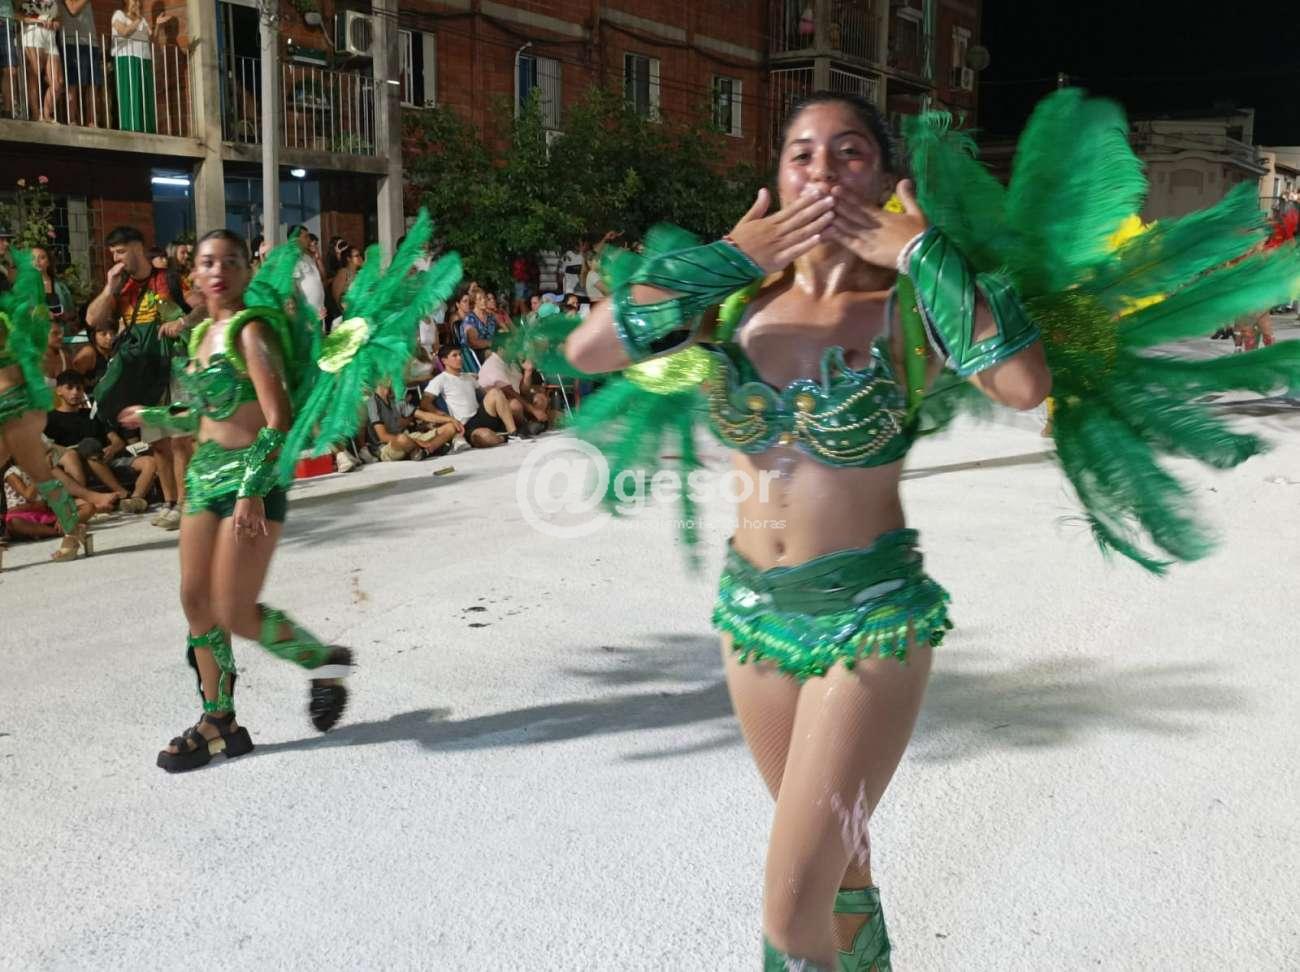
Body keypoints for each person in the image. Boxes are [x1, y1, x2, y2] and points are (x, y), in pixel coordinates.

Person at [555, 89, 1300, 969]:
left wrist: (919, 250)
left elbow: (1022, 384)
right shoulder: (734, 301)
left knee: (789, 913)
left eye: (849, 152)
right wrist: (728, 257)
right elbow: (588, 351)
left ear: (886, 181)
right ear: (778, 179)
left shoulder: (912, 305)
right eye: (801, 154)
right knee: (840, 877)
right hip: (749, 617)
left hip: (869, 622)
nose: (823, 171)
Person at [119, 229, 354, 773]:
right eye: (208, 262)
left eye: (231, 261)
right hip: (204, 478)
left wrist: (251, 489)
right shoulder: (201, 334)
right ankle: (218, 720)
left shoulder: (251, 332)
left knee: (234, 610)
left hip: (254, 480)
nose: (218, 270)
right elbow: (205, 416)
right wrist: (153, 416)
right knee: (194, 599)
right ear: (194, 275)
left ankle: (323, 662)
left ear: (247, 272)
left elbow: (278, 418)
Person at [0, 253, 103, 567]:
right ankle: (75, 530)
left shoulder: (9, 318)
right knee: (41, 474)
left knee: (41, 474)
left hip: (15, 406)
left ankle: (74, 530)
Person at [85, 224, 190, 529]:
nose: (116, 258)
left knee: (180, 440)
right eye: (113, 253)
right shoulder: (121, 287)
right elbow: (93, 319)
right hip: (144, 374)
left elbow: (198, 308)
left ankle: (186, 504)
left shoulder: (169, 278)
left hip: (175, 367)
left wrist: (181, 324)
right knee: (158, 444)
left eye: (120, 251)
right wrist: (109, 287)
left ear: (137, 248)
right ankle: (169, 503)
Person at [422, 347, 513, 448]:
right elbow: (425, 403)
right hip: (465, 424)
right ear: (444, 361)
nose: (459, 358)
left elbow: (485, 394)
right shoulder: (440, 380)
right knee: (485, 437)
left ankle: (513, 433)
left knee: (496, 393)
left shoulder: (468, 377)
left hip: (480, 415)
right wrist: (442, 415)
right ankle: (502, 437)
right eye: (454, 355)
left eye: (460, 355)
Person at [110, 0, 171, 133]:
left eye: (138, 0)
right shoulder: (119, 14)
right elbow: (123, 32)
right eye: (134, 0)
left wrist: (157, 25)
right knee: (131, 94)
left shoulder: (141, 19)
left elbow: (151, 39)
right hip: (127, 58)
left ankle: (147, 129)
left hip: (144, 59)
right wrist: (137, 20)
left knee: (144, 94)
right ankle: (131, 127)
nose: (137, 3)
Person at [365, 379, 457, 461]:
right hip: (388, 446)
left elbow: (424, 415)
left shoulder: (395, 400)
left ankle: (424, 451)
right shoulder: (372, 401)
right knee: (402, 439)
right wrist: (416, 441)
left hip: (408, 439)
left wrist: (450, 419)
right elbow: (383, 437)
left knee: (450, 427)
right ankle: (427, 448)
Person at [59, 0, 103, 127]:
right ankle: (72, 119)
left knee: (93, 83)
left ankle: (92, 121)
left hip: (91, 41)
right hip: (71, 40)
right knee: (72, 82)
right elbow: (72, 9)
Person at [19, 0, 62, 122]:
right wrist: (38, 21)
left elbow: (59, 18)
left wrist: (56, 23)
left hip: (50, 38)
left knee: (57, 83)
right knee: (35, 75)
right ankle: (36, 115)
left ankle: (46, 114)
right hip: (33, 35)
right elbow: (19, 15)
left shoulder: (54, 2)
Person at [289, 224, 326, 330]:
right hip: (306, 318)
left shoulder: (307, 257)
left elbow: (321, 278)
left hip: (319, 312)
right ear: (295, 239)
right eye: (305, 237)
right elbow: (293, 289)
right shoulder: (292, 259)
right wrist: (303, 314)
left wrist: (317, 258)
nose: (309, 240)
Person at [29, 244, 74, 329]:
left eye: (42, 257)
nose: (37, 261)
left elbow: (71, 312)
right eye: (33, 258)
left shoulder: (60, 286)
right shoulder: (23, 287)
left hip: (59, 332)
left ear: (48, 262)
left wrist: (62, 316)